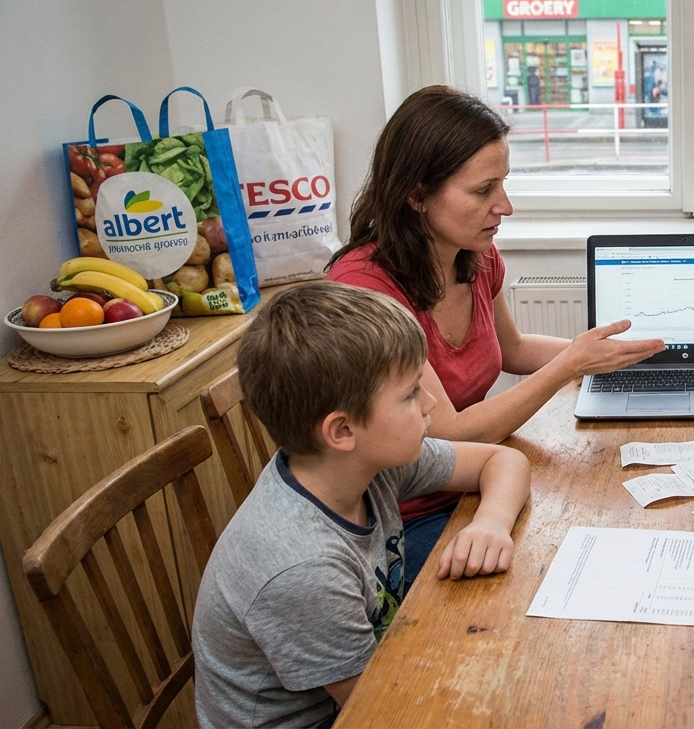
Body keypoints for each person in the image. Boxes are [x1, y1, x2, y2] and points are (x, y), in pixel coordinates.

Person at [327, 86, 663, 585]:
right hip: (409, 517)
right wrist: (571, 365)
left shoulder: (473, 256)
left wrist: (617, 356)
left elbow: (515, 350)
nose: (504, 206)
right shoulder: (365, 291)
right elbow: (448, 433)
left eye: (503, 184)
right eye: (484, 190)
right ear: (416, 194)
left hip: (480, 479)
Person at [192, 282, 531, 727]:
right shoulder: (303, 569)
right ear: (342, 430)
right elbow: (381, 709)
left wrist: (490, 523)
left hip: (370, 679)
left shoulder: (361, 463)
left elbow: (503, 459)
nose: (431, 402)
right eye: (411, 393)